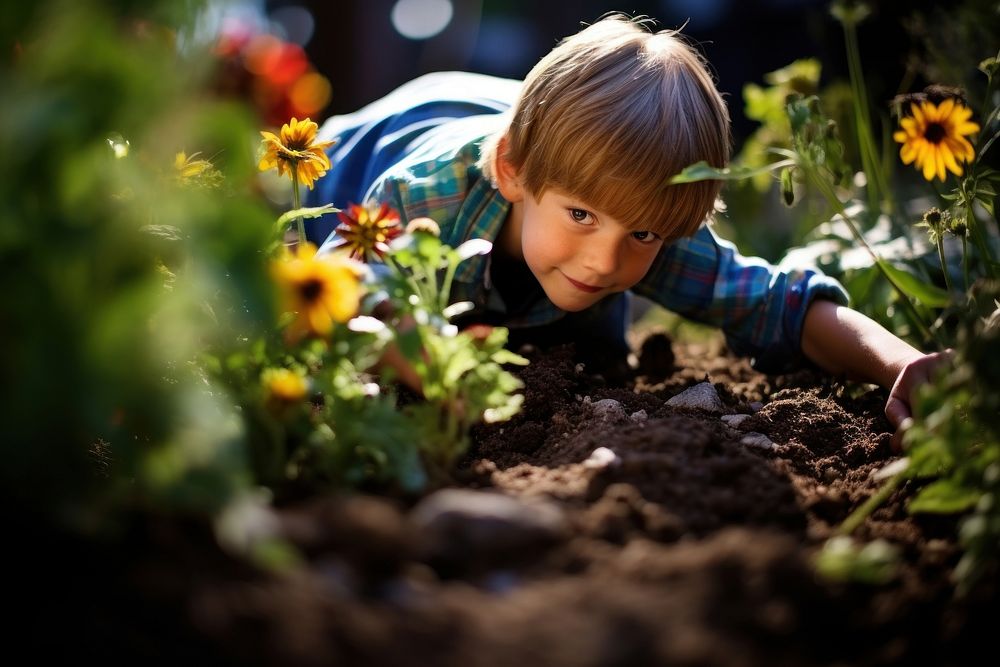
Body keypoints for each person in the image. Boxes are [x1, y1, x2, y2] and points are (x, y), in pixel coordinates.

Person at [305, 14, 949, 449]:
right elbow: (345, 284)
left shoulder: (639, 210)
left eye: (641, 235)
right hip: (371, 140)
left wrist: (900, 361)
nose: (605, 260)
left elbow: (771, 299)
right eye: (580, 216)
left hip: (534, 127)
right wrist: (431, 363)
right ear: (512, 173)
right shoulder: (428, 198)